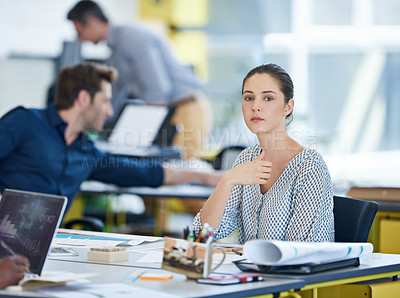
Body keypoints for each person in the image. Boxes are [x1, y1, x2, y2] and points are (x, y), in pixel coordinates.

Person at [0, 62, 221, 211]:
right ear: (84, 99)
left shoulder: (87, 153)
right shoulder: (25, 122)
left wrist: (205, 177)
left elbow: (146, 173)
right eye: (105, 101)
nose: (110, 111)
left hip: (37, 248)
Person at [193, 63, 334, 244]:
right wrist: (228, 179)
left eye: (268, 98)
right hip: (252, 270)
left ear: (287, 107)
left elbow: (300, 249)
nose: (255, 106)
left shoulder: (310, 166)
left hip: (293, 271)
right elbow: (202, 233)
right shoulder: (246, 158)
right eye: (249, 98)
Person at [66, 0, 211, 159]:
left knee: (182, 171)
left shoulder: (130, 38)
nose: (80, 40)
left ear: (92, 23)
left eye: (80, 33)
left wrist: (143, 132)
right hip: (166, 110)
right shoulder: (115, 51)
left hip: (185, 109)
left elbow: (158, 88)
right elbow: (115, 95)